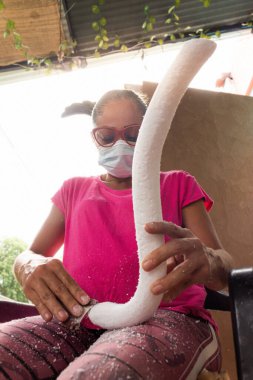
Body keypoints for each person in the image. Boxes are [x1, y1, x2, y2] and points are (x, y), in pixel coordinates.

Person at [0, 89, 233, 380]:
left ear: (152, 133)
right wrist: (27, 265)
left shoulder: (178, 185)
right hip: (77, 320)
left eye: (134, 134)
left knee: (100, 375)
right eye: (108, 137)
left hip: (169, 317)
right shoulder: (73, 190)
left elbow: (224, 265)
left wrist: (208, 260)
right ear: (95, 139)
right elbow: (32, 253)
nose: (121, 144)